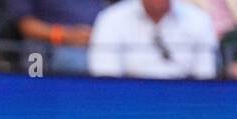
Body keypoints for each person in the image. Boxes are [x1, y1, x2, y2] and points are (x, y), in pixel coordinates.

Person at [88, 0, 218, 76]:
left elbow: (205, 76)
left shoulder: (199, 19)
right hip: (128, 104)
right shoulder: (111, 18)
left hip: (184, 103)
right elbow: (105, 77)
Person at [7, 0, 109, 73]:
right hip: (53, 47)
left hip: (102, 42)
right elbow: (26, 26)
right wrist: (66, 35)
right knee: (79, 61)